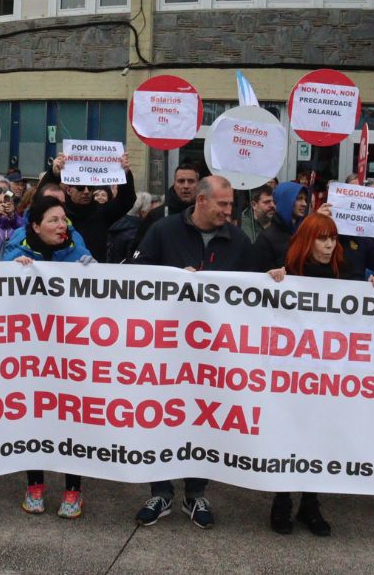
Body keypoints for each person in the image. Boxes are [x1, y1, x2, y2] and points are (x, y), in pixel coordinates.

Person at [131, 176, 256, 529]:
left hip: (214, 354)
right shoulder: (163, 230)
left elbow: (256, 291)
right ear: (201, 201)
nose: (229, 210)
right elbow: (135, 275)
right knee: (163, 414)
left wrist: (274, 279)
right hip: (166, 349)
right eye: (223, 204)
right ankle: (160, 491)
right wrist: (171, 278)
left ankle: (195, 493)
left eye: (231, 204)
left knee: (205, 416)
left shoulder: (238, 240)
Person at [265, 213, 374, 536]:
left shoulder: (345, 274)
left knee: (319, 438)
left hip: (329, 378)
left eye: (333, 238)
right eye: (322, 238)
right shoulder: (286, 273)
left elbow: (365, 314)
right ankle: (281, 500)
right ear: (307, 240)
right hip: (291, 376)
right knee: (289, 435)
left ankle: (310, 502)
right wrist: (267, 281)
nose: (329, 244)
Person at [3, 195, 93, 519]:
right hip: (32, 357)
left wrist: (92, 271)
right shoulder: (17, 253)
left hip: (69, 355)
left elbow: (100, 300)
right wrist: (11, 271)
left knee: (71, 416)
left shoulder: (79, 255)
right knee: (34, 417)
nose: (61, 225)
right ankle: (35, 485)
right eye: (53, 220)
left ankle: (73, 490)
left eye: (63, 220)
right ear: (36, 226)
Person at [40, 152, 135, 262]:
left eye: (90, 187)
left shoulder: (102, 212)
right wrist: (53, 174)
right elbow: (41, 201)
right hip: (61, 273)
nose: (86, 192)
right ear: (69, 190)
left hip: (93, 274)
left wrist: (125, 174)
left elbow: (126, 201)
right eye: (80, 187)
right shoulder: (59, 213)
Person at [134, 162, 200, 250]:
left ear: (198, 184)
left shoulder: (206, 215)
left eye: (191, 181)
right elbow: (139, 249)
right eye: (181, 181)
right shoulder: (157, 215)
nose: (186, 186)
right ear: (174, 184)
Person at [253, 181, 309, 272]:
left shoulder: (305, 233)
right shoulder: (266, 239)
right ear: (285, 201)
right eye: (299, 198)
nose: (304, 204)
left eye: (305, 199)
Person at [107, 191, 152, 263]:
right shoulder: (137, 231)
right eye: (150, 208)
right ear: (142, 211)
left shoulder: (117, 223)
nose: (151, 211)